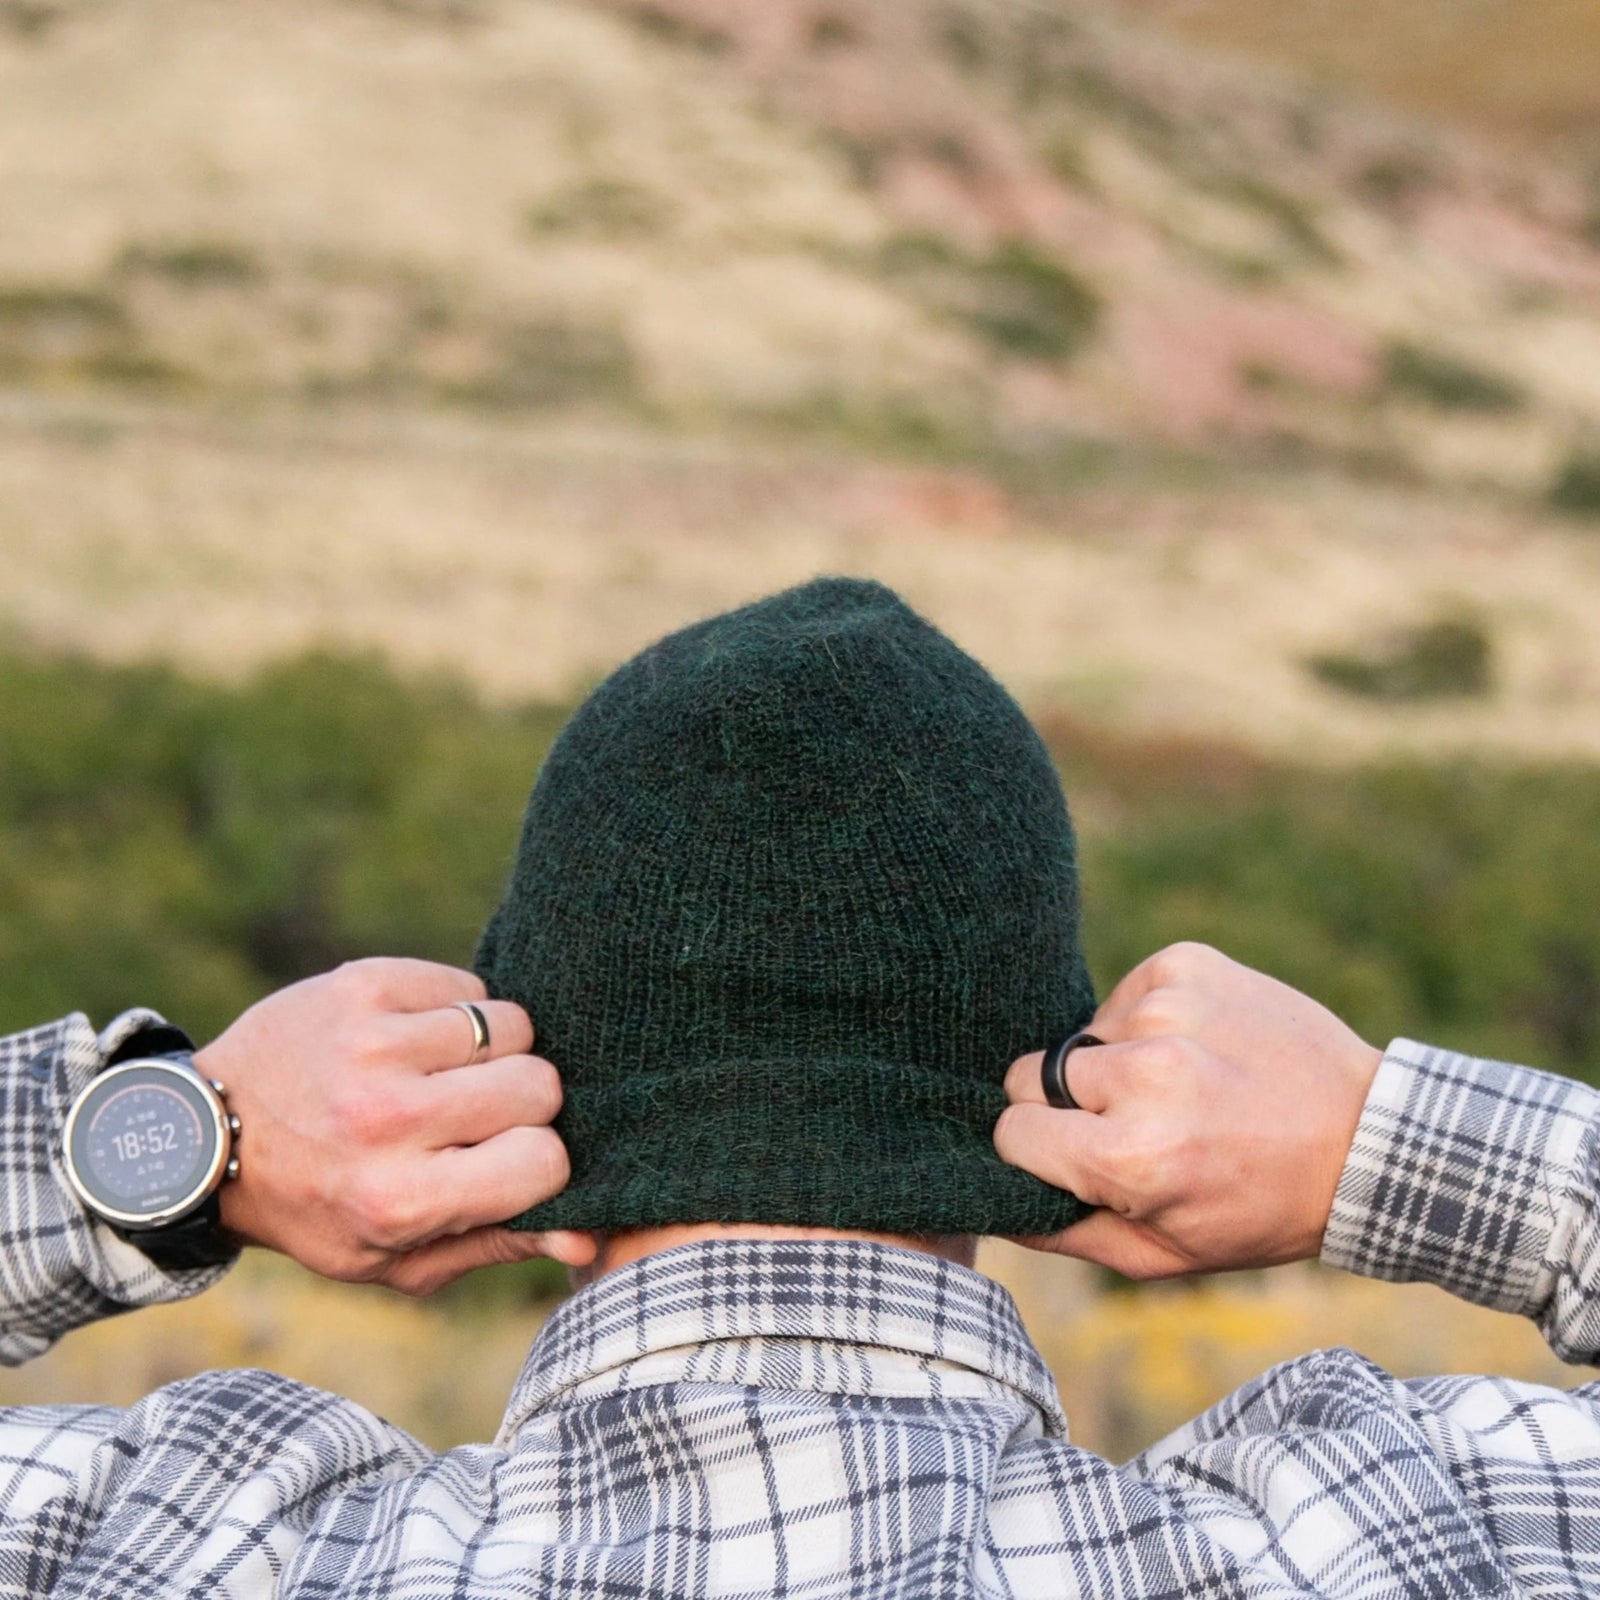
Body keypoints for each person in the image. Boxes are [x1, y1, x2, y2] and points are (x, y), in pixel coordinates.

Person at [1, 576, 1598, 1599]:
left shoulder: (188, 1536)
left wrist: (173, 1142)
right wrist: (1380, 1142)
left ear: (519, 1126)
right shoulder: (1385, 1530)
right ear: (1060, 1139)